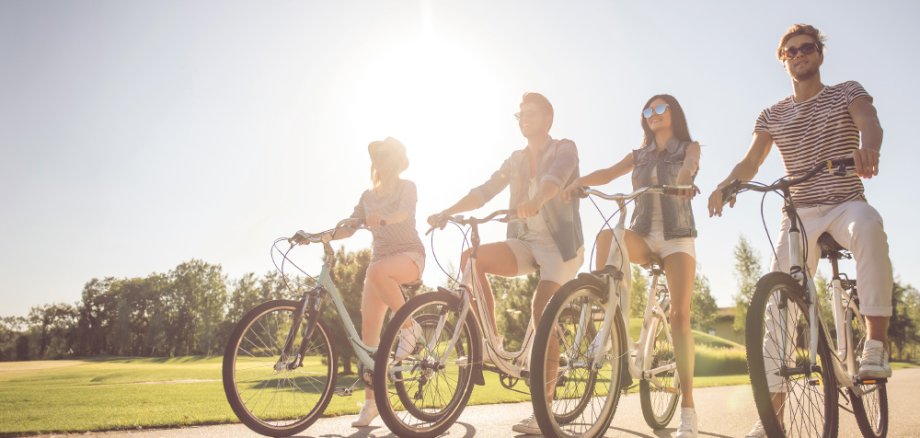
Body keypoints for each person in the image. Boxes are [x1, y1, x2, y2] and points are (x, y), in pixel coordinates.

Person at [707, 24, 892, 437]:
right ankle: (774, 412)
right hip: (800, 212)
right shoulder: (772, 113)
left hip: (846, 201)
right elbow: (751, 162)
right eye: (791, 51)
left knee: (869, 226)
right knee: (777, 299)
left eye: (807, 48)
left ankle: (875, 345)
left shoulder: (846, 91)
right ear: (782, 59)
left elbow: (869, 120)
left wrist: (870, 147)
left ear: (819, 55)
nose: (799, 55)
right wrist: (726, 185)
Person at [427, 92, 584, 435]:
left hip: (561, 247)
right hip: (526, 242)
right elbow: (484, 191)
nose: (524, 118)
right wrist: (447, 212)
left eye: (531, 113)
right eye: (520, 114)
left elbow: (555, 179)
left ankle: (544, 412)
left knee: (542, 309)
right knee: (472, 258)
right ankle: (491, 343)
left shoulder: (564, 148)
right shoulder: (514, 159)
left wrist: (536, 200)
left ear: (548, 118)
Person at [563, 94, 701, 437]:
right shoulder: (638, 155)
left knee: (680, 317)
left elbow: (689, 167)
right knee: (609, 237)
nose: (652, 114)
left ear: (673, 113)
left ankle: (688, 411)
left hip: (676, 238)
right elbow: (609, 173)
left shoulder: (689, 146)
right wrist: (579, 183)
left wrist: (683, 182)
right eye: (647, 110)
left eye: (660, 108)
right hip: (642, 232)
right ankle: (609, 324)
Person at [319, 137, 426, 428]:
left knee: (377, 270)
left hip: (409, 256)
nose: (381, 163)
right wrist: (325, 235)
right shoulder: (367, 197)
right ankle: (371, 403)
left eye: (387, 158)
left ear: (397, 161)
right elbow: (351, 225)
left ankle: (410, 327)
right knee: (368, 339)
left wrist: (384, 219)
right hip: (379, 267)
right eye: (378, 158)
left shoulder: (407, 187)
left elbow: (404, 212)